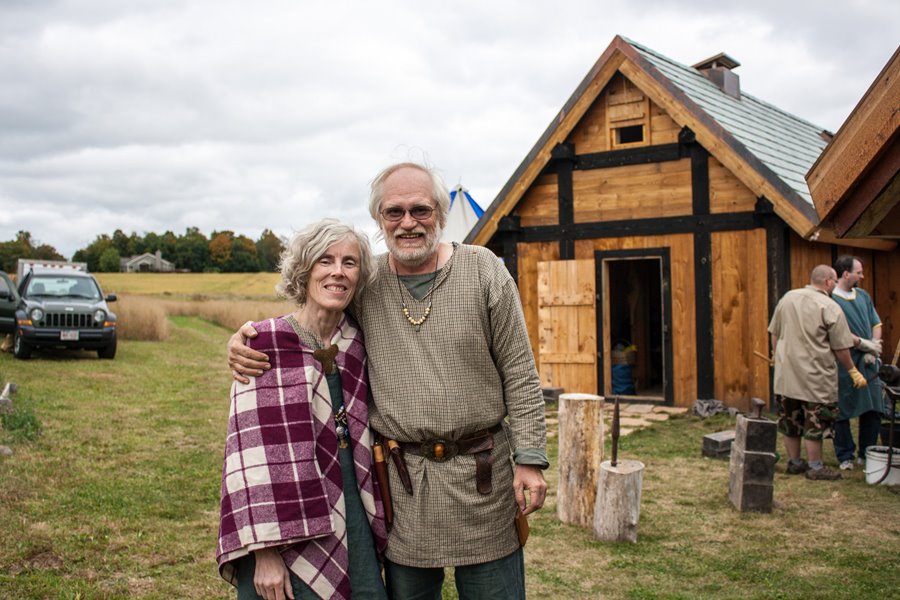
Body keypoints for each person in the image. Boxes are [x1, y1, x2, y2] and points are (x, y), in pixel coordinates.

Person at [229, 162, 548, 599]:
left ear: (439, 210)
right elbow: (310, 320)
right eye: (394, 212)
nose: (409, 223)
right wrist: (248, 339)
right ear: (379, 219)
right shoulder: (367, 281)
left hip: (484, 479)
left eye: (420, 209)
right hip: (403, 488)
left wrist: (529, 458)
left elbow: (521, 374)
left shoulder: (484, 270)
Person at [217, 219, 388, 600]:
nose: (337, 272)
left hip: (352, 511)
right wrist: (264, 554)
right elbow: (248, 461)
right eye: (325, 261)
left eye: (349, 262)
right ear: (304, 270)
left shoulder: (358, 343)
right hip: (282, 526)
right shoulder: (263, 345)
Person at [768, 264, 867, 481]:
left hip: (786, 375)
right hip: (815, 376)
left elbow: (774, 332)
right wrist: (853, 371)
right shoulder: (829, 306)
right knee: (816, 421)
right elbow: (841, 346)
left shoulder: (787, 298)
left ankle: (794, 462)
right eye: (833, 280)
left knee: (790, 419)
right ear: (828, 281)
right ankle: (815, 467)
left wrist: (777, 357)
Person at [831, 255, 883, 470]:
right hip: (845, 361)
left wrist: (875, 345)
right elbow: (837, 332)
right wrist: (863, 344)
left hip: (869, 363)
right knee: (842, 408)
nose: (862, 276)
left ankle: (867, 452)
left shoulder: (863, 295)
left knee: (874, 408)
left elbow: (876, 322)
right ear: (846, 274)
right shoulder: (831, 300)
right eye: (858, 272)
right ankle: (845, 455)